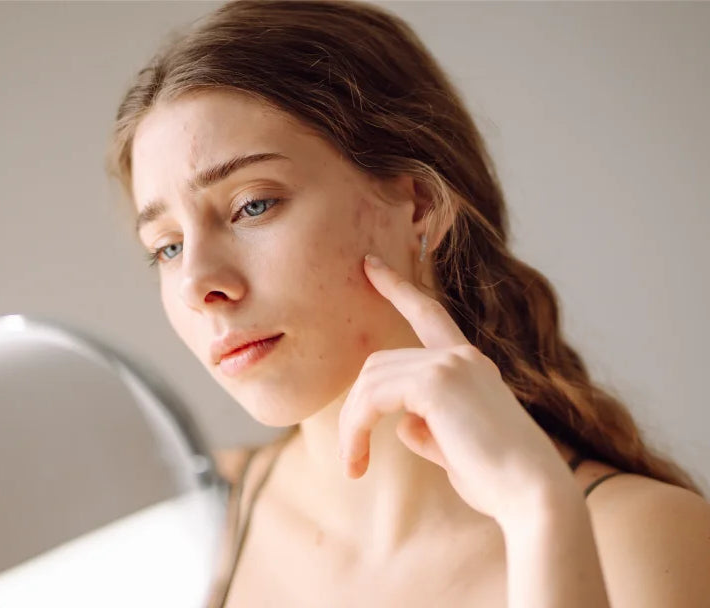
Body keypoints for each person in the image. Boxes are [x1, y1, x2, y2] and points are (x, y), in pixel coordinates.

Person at [106, 1, 710, 606]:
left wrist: (538, 515)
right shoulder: (192, 526)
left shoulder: (640, 541)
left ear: (419, 203)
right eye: (167, 247)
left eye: (253, 205)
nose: (197, 284)